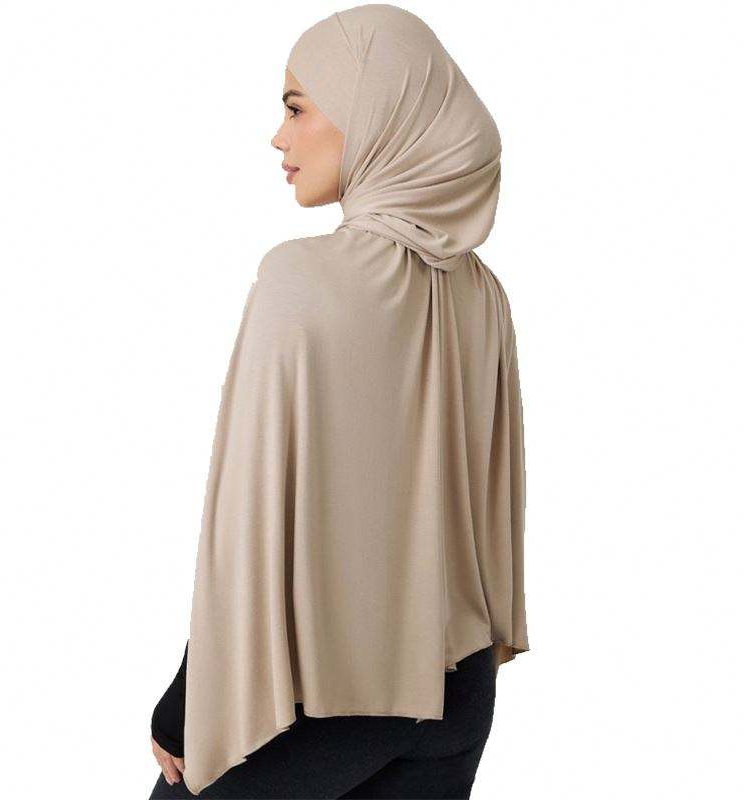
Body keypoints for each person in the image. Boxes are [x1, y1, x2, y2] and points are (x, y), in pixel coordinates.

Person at [149, 5, 529, 798]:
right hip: (460, 686)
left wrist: (186, 701)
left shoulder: (300, 279)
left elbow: (252, 512)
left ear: (373, 111)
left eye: (296, 108)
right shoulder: (483, 292)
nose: (279, 137)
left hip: (324, 698)